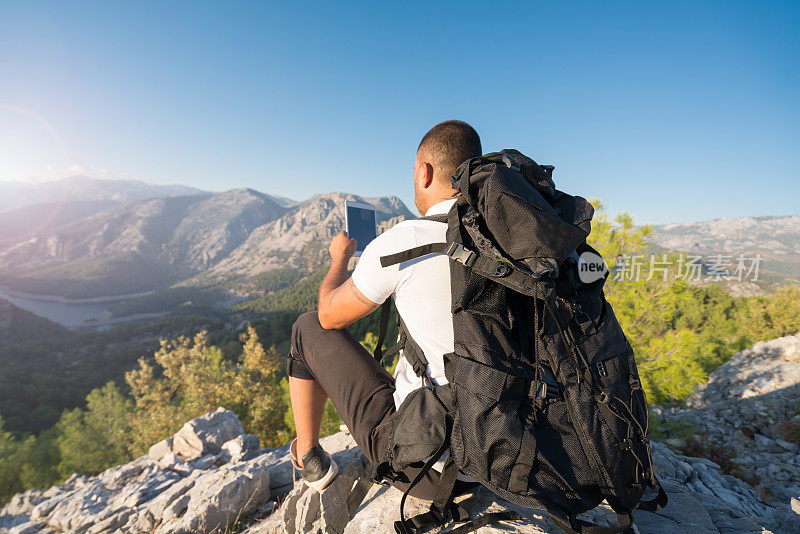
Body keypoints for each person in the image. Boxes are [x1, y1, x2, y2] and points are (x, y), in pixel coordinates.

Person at [285, 120, 482, 496]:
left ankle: (309, 458)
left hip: (427, 467)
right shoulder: (516, 248)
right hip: (510, 454)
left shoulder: (407, 239)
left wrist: (339, 261)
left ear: (424, 172)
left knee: (306, 327)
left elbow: (328, 314)